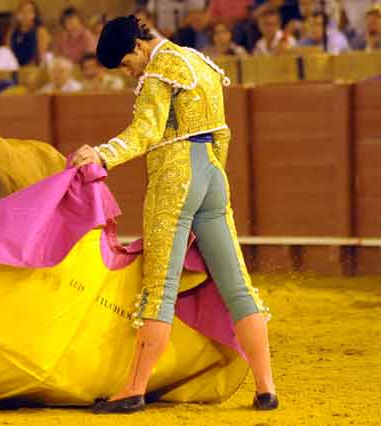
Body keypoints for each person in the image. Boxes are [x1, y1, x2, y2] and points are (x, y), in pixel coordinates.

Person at [72, 15, 277, 413]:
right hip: (213, 174)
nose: (131, 73)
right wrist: (211, 181)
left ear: (136, 46)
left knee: (160, 287)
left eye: (127, 65)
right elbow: (222, 131)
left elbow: (145, 132)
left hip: (175, 174)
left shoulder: (157, 72)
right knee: (237, 284)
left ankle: (134, 388)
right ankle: (266, 388)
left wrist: (102, 154)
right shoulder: (200, 62)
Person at [7, 0, 51, 66]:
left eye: (29, 11)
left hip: (33, 69)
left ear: (34, 14)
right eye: (22, 11)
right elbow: (7, 54)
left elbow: (42, 58)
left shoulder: (40, 32)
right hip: (14, 68)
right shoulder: (12, 32)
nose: (25, 14)